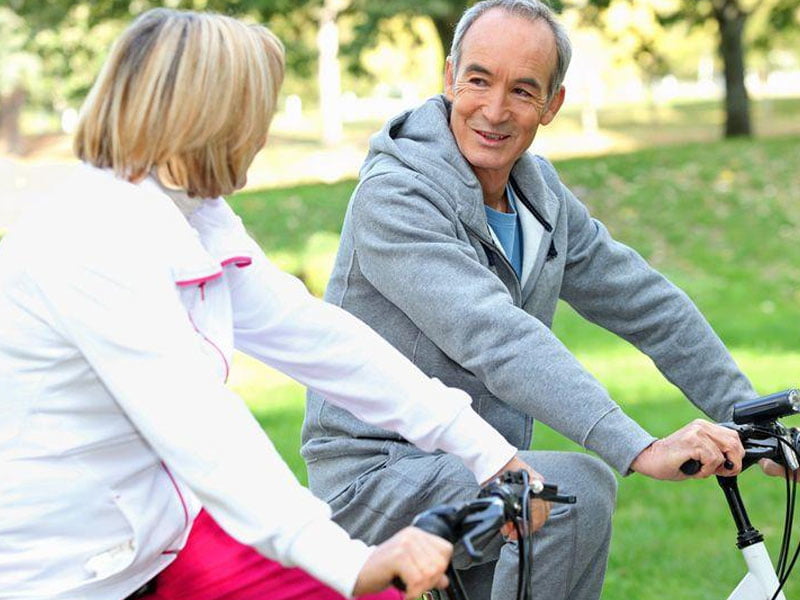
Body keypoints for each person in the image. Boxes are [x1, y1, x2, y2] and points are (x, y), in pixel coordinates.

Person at [0, 9, 541, 600]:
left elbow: (321, 341)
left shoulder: (189, 211)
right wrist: (345, 560)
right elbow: (198, 423)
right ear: (209, 116)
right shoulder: (92, 239)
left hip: (161, 535)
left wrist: (488, 451)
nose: (263, 133)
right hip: (66, 573)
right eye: (258, 111)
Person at [301, 1, 755, 599]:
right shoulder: (395, 198)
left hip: (486, 469)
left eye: (522, 90)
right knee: (573, 493)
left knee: (554, 500)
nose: (494, 110)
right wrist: (637, 445)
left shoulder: (539, 195)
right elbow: (494, 336)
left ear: (552, 105)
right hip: (377, 478)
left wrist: (747, 412)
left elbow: (646, 304)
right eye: (479, 80)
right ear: (449, 78)